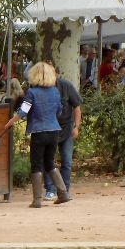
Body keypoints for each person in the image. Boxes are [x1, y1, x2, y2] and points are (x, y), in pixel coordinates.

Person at [4, 62, 70, 208]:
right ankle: (63, 192)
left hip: (38, 132)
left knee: (36, 164)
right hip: (54, 131)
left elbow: (23, 112)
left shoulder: (32, 93)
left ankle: (37, 200)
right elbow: (59, 111)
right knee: (50, 162)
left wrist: (11, 122)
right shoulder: (55, 91)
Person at [42, 69, 83, 202]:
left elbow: (77, 107)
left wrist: (76, 127)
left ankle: (64, 190)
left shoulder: (66, 85)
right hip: (49, 129)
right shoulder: (39, 87)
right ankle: (50, 190)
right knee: (48, 160)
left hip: (66, 129)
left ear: (56, 73)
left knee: (67, 161)